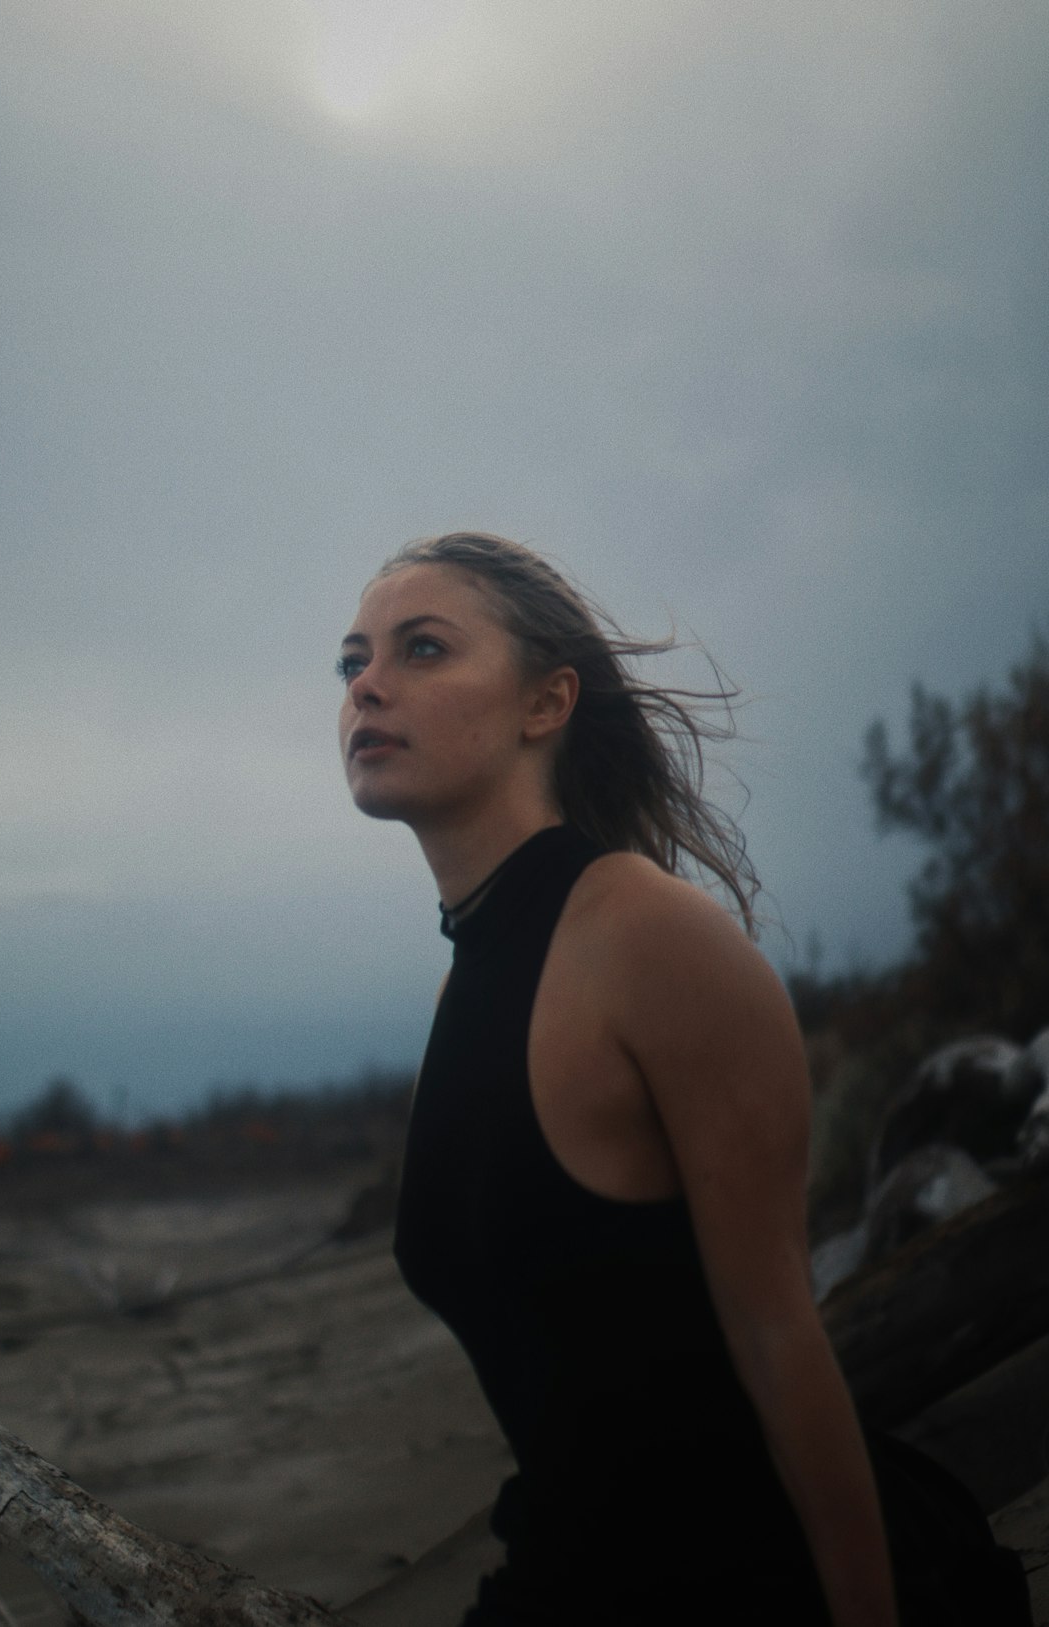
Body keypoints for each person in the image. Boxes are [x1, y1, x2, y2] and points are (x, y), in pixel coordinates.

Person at [336, 532, 1031, 1626]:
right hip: (564, 1581)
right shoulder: (460, 987)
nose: (367, 685)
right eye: (353, 661)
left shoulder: (651, 937)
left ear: (545, 703)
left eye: (422, 649)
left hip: (751, 1586)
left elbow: (778, 1334)